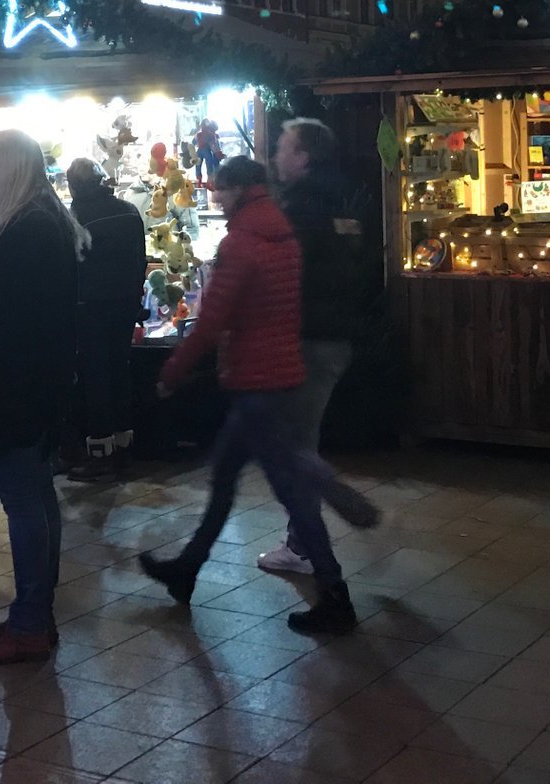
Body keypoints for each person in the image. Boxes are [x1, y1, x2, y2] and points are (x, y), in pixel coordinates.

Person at [138, 158, 379, 637]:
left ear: (241, 189)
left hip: (255, 384)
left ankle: (335, 594)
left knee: (290, 492)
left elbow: (211, 321)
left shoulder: (242, 243)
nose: (216, 197)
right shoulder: (282, 234)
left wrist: (172, 370)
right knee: (225, 479)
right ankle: (186, 568)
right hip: (279, 372)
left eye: (221, 189)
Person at [0, 130, 86, 666]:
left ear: (7, 168)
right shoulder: (40, 221)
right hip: (30, 389)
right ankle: (34, 612)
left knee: (24, 501)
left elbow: (5, 323)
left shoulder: (24, 230)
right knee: (35, 498)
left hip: (13, 392)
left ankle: (30, 621)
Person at [257, 118, 379, 577]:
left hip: (306, 338)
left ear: (304, 157)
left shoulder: (300, 209)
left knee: (292, 443)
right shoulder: (346, 199)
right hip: (335, 336)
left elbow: (285, 278)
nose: (275, 156)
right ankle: (305, 538)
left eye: (284, 148)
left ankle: (308, 540)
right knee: (294, 438)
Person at [64, 157, 147, 482]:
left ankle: (100, 453)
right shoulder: (128, 211)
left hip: (90, 305)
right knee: (119, 370)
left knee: (95, 376)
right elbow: (141, 257)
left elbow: (72, 265)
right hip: (125, 303)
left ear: (73, 185)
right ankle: (124, 448)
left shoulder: (77, 217)